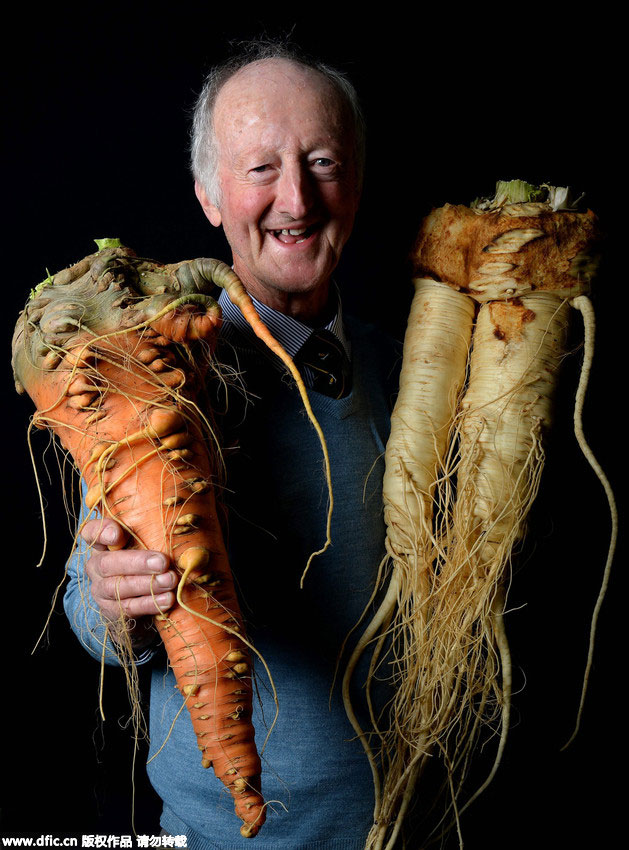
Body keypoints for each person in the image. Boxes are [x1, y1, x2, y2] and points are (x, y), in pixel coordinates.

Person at [64, 40, 401, 849]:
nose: (296, 198)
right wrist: (115, 603)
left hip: (429, 818)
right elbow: (88, 608)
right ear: (209, 196)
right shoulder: (148, 380)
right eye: (260, 169)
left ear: (355, 182)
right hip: (230, 835)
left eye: (322, 162)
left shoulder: (418, 366)